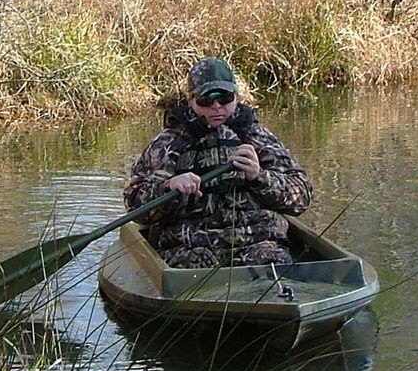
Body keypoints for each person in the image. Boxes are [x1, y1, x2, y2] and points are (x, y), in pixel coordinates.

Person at [124, 56, 313, 268]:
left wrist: (259, 176)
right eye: (206, 99)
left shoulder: (258, 137)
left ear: (236, 96)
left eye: (224, 97)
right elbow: (135, 205)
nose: (216, 107)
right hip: (191, 247)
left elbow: (301, 197)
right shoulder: (169, 144)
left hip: (255, 242)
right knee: (190, 269)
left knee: (277, 263)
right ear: (191, 100)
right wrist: (167, 187)